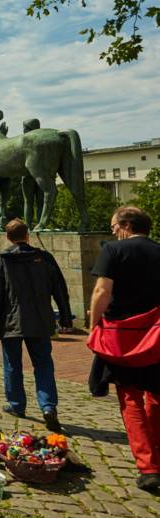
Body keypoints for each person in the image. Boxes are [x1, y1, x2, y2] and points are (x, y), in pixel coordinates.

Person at [88, 206, 160, 491]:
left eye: (115, 226)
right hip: (156, 333)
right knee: (156, 396)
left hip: (123, 335)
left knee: (130, 398)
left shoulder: (113, 251)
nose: (113, 231)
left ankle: (149, 466)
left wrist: (94, 325)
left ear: (127, 225)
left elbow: (102, 291)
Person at [0, 219, 72, 432]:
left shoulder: (2, 261)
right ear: (28, 235)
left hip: (11, 320)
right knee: (43, 364)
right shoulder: (44, 258)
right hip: (40, 319)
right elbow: (60, 289)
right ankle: (48, 406)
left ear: (7, 237)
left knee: (13, 364)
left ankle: (17, 404)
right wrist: (66, 318)